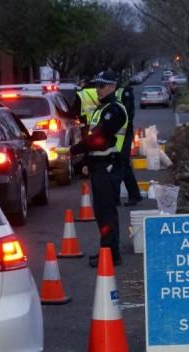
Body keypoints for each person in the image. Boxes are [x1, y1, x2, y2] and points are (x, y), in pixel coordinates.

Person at [70, 70, 128, 267]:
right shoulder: (100, 109)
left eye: (102, 85)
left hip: (110, 164)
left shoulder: (115, 110)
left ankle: (112, 254)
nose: (98, 89)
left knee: (106, 212)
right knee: (101, 212)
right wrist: (86, 161)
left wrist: (74, 150)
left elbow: (99, 138)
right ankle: (106, 250)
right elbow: (94, 137)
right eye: (96, 85)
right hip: (99, 165)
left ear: (113, 86)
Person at [114, 81, 143, 206]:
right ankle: (129, 195)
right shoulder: (106, 94)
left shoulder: (124, 92)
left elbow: (129, 114)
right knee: (118, 164)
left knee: (122, 163)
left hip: (124, 133)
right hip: (114, 133)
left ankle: (133, 195)